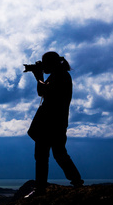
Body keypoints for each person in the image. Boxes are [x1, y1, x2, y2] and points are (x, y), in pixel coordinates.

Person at [24, 51, 83, 197]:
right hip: (56, 122)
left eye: (45, 64)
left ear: (52, 64)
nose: (43, 67)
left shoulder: (61, 76)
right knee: (56, 153)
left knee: (47, 155)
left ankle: (41, 188)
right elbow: (43, 92)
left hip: (52, 122)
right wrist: (40, 77)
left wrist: (38, 77)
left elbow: (42, 91)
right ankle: (75, 182)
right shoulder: (58, 75)